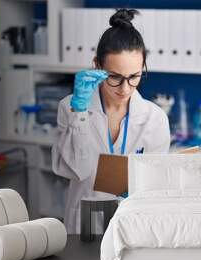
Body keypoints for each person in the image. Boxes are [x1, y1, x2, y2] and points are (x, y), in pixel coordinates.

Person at [52, 9, 171, 234]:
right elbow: (75, 170)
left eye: (134, 77)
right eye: (115, 77)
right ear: (97, 66)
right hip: (83, 226)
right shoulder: (70, 106)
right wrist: (79, 114)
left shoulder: (154, 119)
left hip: (133, 226)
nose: (125, 89)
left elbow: (158, 186)